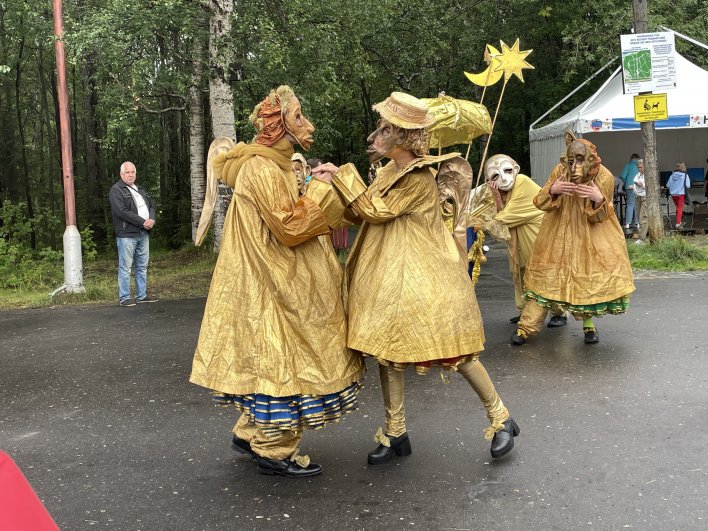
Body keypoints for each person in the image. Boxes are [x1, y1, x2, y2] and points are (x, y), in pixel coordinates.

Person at [313, 92, 519, 464]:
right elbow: (359, 213)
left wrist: (343, 176)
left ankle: (501, 418)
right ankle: (396, 433)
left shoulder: (420, 177)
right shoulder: (389, 171)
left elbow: (376, 211)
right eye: (380, 128)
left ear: (407, 136)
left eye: (386, 130)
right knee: (389, 354)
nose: (375, 137)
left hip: (426, 279)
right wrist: (332, 185)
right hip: (390, 279)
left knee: (455, 351)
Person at [190, 86, 364, 478]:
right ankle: (273, 449)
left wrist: (311, 185)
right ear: (279, 125)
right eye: (300, 118)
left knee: (272, 359)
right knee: (286, 361)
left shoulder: (276, 165)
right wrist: (322, 189)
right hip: (274, 281)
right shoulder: (263, 168)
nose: (309, 126)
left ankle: (250, 432)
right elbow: (289, 226)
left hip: (273, 277)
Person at [511, 132, 634, 345]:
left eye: (579, 159)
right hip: (557, 235)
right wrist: (553, 190)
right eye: (571, 159)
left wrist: (598, 200)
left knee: (586, 279)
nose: (574, 164)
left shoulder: (603, 176)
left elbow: (605, 214)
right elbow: (539, 202)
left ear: (590, 159)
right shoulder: (560, 171)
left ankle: (589, 327)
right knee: (545, 279)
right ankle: (526, 328)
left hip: (590, 237)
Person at [484, 154, 567, 327]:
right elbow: (502, 214)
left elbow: (503, 218)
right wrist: (497, 197)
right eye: (495, 176)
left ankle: (559, 312)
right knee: (520, 274)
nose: (504, 178)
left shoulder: (522, 182)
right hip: (518, 240)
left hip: (537, 236)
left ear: (516, 170)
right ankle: (525, 311)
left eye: (507, 170)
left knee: (544, 273)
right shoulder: (504, 192)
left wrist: (480, 222)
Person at [108, 161, 157, 307]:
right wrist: (143, 221)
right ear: (121, 174)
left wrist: (152, 219)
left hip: (143, 233)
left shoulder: (140, 189)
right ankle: (125, 297)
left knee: (142, 266)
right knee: (125, 267)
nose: (130, 175)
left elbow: (152, 205)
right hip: (127, 235)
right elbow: (122, 211)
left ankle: (141, 295)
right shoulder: (116, 190)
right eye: (127, 172)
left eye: (133, 172)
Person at [667, 162, 691, 229]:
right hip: (681, 194)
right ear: (683, 167)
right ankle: (678, 224)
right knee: (680, 208)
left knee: (677, 207)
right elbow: (688, 185)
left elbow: (667, 185)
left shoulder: (671, 176)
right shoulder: (685, 176)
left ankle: (679, 221)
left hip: (673, 195)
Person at [620, 153, 640, 231]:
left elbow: (623, 176)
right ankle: (637, 223)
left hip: (629, 187)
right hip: (638, 187)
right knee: (637, 205)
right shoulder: (640, 166)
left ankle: (627, 223)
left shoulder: (628, 165)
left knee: (630, 205)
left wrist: (626, 183)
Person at [633, 159, 648, 243]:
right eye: (638, 167)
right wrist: (634, 187)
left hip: (645, 197)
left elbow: (649, 185)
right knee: (639, 217)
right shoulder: (638, 175)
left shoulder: (648, 174)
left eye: (641, 167)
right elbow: (635, 182)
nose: (640, 169)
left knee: (643, 217)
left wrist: (641, 185)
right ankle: (643, 235)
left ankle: (642, 238)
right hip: (638, 196)